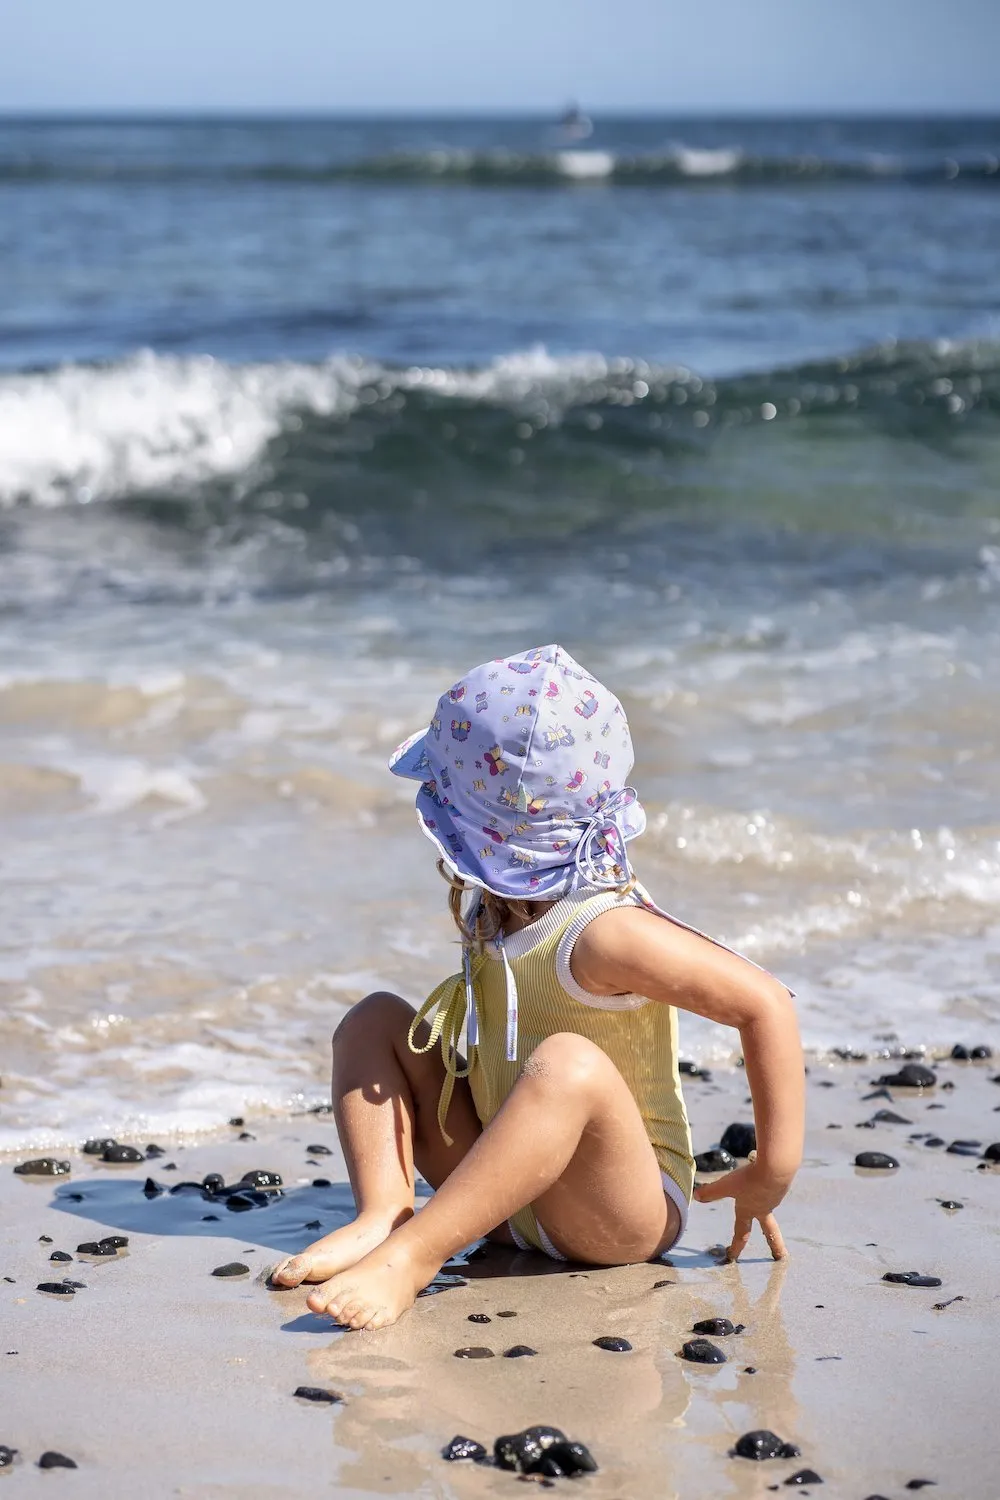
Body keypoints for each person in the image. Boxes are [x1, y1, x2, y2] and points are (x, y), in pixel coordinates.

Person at [272, 645, 804, 1331]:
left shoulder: (604, 932)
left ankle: (415, 1255)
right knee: (375, 1021)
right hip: (500, 1192)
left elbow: (764, 1003)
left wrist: (772, 1169)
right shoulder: (495, 907)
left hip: (614, 1216)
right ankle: (386, 1214)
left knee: (569, 1067)